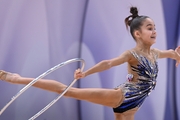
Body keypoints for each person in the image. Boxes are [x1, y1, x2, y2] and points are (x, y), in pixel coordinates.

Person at [0, 6, 180, 120]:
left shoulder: (155, 53)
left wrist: (177, 56)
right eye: (150, 28)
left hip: (133, 105)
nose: (154, 31)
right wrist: (86, 74)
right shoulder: (132, 54)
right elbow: (108, 63)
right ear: (137, 34)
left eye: (155, 28)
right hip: (122, 96)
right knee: (69, 92)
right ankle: (16, 78)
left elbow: (171, 53)